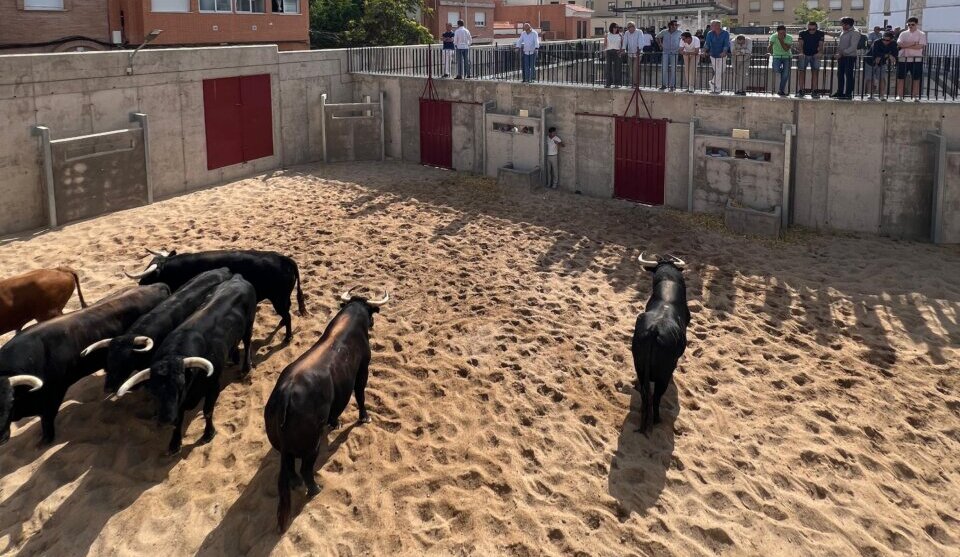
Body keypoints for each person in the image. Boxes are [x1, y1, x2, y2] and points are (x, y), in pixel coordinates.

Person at [896, 17, 927, 102]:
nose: (910, 26)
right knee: (900, 78)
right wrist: (913, 43)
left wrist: (906, 45)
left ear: (916, 24)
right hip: (903, 58)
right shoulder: (903, 33)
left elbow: (920, 46)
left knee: (916, 79)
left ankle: (914, 96)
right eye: (908, 24)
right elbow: (899, 44)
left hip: (916, 59)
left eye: (912, 24)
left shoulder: (921, 34)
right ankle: (899, 95)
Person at [832, 17, 860, 99]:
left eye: (843, 24)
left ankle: (848, 93)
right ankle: (840, 92)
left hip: (849, 57)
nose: (841, 26)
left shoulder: (855, 33)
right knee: (840, 74)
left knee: (849, 75)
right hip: (841, 57)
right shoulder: (843, 31)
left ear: (848, 25)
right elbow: (837, 36)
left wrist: (841, 53)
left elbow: (853, 47)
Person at [864, 31, 897, 100]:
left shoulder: (893, 43)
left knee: (882, 78)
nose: (884, 41)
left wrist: (882, 56)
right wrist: (888, 55)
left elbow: (895, 53)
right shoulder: (877, 42)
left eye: (887, 40)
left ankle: (882, 95)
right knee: (870, 78)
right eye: (883, 39)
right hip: (870, 61)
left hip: (882, 62)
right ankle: (870, 94)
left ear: (891, 40)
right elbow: (875, 53)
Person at [796, 21, 825, 98]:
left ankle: (814, 91)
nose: (811, 30)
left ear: (816, 28)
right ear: (807, 28)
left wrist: (820, 53)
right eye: (809, 29)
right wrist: (801, 52)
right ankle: (801, 90)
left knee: (815, 72)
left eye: (813, 29)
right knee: (801, 72)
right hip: (804, 55)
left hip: (815, 55)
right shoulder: (802, 33)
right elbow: (800, 44)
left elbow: (821, 44)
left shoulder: (820, 33)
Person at [702, 20, 730, 94]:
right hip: (713, 55)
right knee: (718, 72)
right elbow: (707, 44)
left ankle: (712, 82)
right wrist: (704, 51)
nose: (710, 27)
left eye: (712, 25)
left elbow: (726, 43)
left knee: (720, 71)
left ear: (718, 26)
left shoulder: (725, 33)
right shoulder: (710, 33)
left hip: (722, 55)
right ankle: (718, 89)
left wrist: (724, 52)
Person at [768, 25, 794, 96]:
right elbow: (769, 49)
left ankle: (781, 90)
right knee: (776, 69)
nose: (782, 34)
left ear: (785, 31)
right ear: (777, 32)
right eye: (780, 33)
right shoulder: (773, 36)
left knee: (785, 75)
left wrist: (781, 40)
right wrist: (770, 47)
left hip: (787, 57)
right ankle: (785, 71)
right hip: (776, 56)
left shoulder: (789, 37)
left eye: (783, 33)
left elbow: (786, 49)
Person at [657, 20, 682, 90]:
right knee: (664, 69)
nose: (676, 26)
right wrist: (660, 45)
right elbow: (657, 37)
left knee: (674, 69)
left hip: (675, 52)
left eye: (676, 25)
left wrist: (680, 48)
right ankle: (663, 85)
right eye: (674, 25)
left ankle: (672, 85)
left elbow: (683, 39)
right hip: (665, 52)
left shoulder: (679, 32)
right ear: (670, 25)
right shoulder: (664, 32)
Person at [623, 22, 642, 87]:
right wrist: (623, 49)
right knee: (631, 70)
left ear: (634, 27)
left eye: (630, 27)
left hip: (638, 54)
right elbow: (625, 41)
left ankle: (636, 84)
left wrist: (639, 49)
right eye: (628, 28)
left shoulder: (639, 32)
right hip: (630, 54)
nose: (629, 29)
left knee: (635, 69)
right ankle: (634, 83)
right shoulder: (627, 33)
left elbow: (641, 41)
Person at [604, 23, 624, 88]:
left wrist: (620, 51)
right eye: (614, 27)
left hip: (617, 51)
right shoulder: (607, 35)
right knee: (608, 68)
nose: (615, 29)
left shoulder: (620, 35)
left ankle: (617, 83)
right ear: (611, 28)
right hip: (609, 51)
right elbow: (605, 44)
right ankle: (608, 83)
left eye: (616, 27)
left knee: (617, 68)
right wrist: (605, 51)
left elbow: (622, 44)